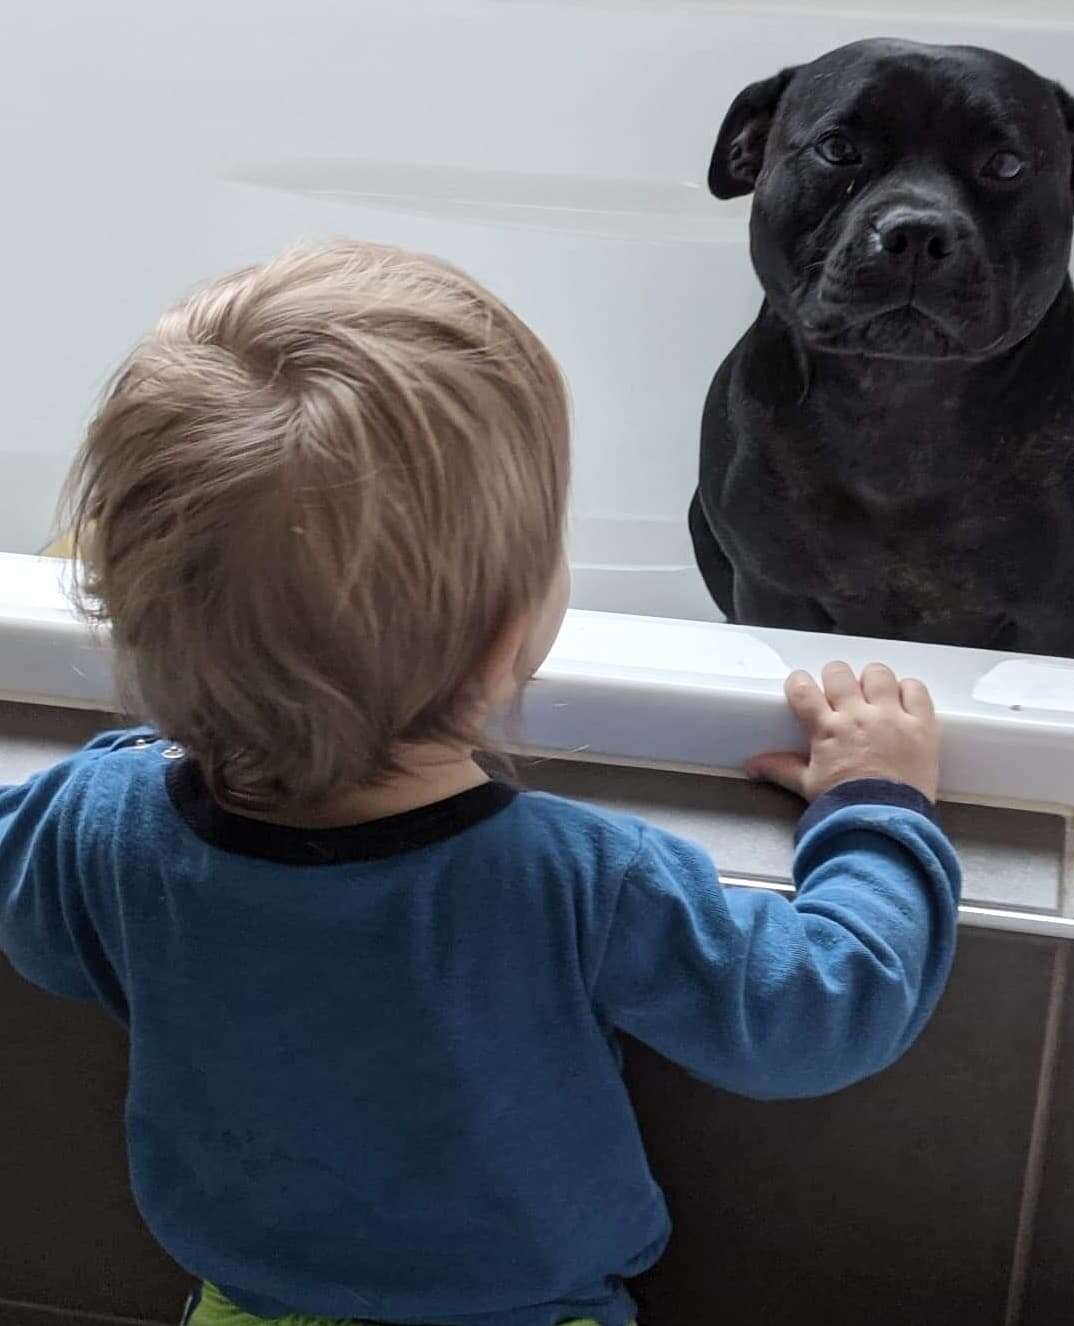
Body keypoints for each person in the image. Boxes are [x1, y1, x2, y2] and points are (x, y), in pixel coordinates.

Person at [0, 241, 961, 1326]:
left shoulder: (97, 829)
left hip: (245, 1301)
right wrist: (876, 806)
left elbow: (39, 929)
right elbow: (819, 1010)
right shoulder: (576, 881)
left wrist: (134, 758)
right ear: (511, 641)